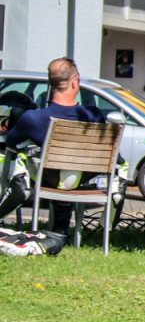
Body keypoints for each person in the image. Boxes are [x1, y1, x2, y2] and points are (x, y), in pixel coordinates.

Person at [4, 58, 108, 234]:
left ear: (51, 83)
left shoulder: (33, 118)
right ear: (75, 82)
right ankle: (63, 229)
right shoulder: (94, 116)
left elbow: (10, 144)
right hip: (78, 178)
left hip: (46, 179)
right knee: (67, 173)